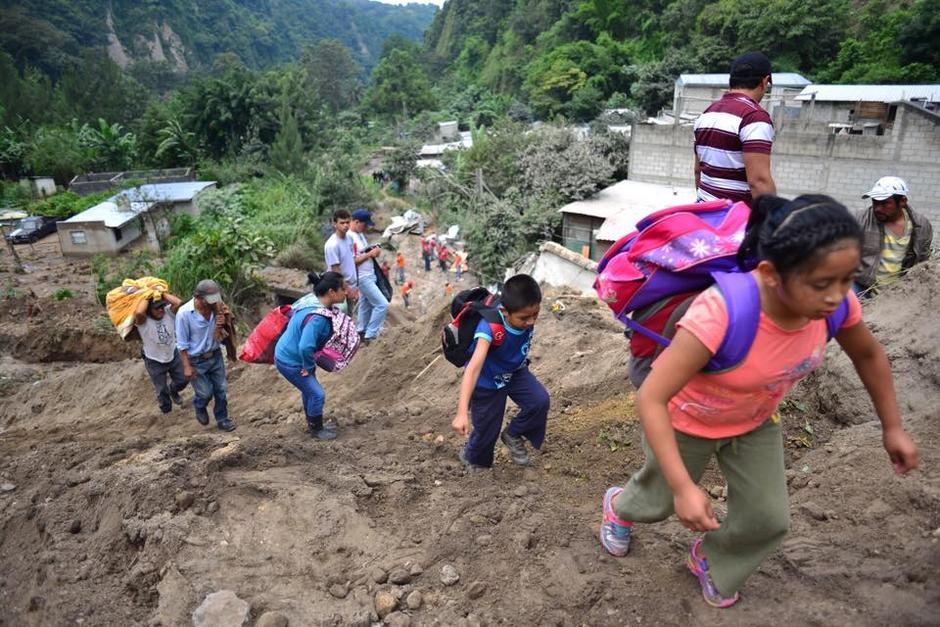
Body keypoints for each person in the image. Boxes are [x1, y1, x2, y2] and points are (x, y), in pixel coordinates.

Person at [598, 195, 919, 608]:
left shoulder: (837, 306)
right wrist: (682, 487)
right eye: (821, 283)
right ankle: (619, 507)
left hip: (754, 421)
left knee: (768, 519)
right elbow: (652, 397)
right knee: (658, 501)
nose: (837, 296)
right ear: (770, 274)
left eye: (846, 279)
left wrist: (891, 426)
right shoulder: (722, 312)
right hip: (687, 422)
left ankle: (712, 559)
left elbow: (869, 354)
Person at [451, 274, 550, 471]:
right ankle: (472, 458)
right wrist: (462, 412)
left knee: (539, 401)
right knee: (488, 429)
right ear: (505, 311)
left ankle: (513, 434)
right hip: (488, 381)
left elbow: (525, 323)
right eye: (524, 318)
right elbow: (473, 368)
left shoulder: (523, 315)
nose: (531, 322)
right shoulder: (489, 328)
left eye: (535, 315)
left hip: (514, 372)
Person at [693, 51, 776, 206]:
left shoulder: (706, 114)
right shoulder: (755, 117)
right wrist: (772, 221)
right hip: (736, 222)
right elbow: (759, 182)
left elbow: (698, 171)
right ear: (764, 82)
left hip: (705, 214)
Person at [274, 272, 348, 441]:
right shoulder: (318, 318)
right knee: (317, 394)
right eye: (343, 289)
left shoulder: (311, 301)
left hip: (286, 353)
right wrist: (308, 367)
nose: (346, 292)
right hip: (290, 361)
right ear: (331, 292)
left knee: (309, 390)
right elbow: (306, 346)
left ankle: (313, 423)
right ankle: (316, 429)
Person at [854, 176, 933, 295]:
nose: (877, 208)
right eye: (875, 202)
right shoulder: (860, 220)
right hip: (860, 287)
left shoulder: (921, 226)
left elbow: (922, 260)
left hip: (897, 294)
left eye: (885, 203)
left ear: (902, 201)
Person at [176, 279, 238, 432]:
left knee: (221, 390)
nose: (213, 303)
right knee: (205, 392)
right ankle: (200, 405)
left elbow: (225, 328)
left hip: (215, 355)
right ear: (198, 297)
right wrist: (186, 367)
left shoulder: (217, 308)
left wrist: (224, 325)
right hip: (196, 359)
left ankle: (222, 419)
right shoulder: (184, 314)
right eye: (208, 300)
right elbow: (182, 344)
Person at [134, 291, 187, 414]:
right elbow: (139, 312)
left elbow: (178, 302)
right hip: (154, 359)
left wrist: (160, 293)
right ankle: (166, 411)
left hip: (172, 354)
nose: (160, 310)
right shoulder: (143, 321)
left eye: (162, 307)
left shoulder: (169, 312)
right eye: (156, 308)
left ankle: (173, 390)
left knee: (183, 379)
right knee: (161, 389)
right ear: (149, 310)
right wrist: (146, 296)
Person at [348, 208, 387, 343]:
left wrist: (371, 249)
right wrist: (370, 254)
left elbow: (360, 252)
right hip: (363, 277)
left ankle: (361, 331)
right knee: (382, 304)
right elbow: (351, 261)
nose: (366, 228)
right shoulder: (349, 237)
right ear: (357, 222)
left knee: (366, 304)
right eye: (364, 225)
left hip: (369, 275)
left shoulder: (359, 235)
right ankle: (371, 334)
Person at [324, 209, 360, 309]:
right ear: (334, 224)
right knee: (339, 316)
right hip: (339, 287)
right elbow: (336, 271)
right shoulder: (332, 245)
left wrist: (356, 285)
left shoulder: (350, 238)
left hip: (352, 284)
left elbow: (352, 261)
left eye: (347, 222)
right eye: (342, 223)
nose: (345, 225)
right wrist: (347, 290)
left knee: (350, 317)